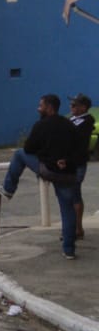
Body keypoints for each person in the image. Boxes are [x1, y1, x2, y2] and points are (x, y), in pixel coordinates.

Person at [0, 93, 83, 259]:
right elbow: (80, 151)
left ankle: (8, 189)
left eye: (40, 106)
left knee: (19, 154)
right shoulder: (69, 125)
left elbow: (28, 149)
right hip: (68, 173)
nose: (38, 108)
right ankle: (69, 250)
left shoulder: (41, 126)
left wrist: (44, 154)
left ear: (49, 107)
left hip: (49, 169)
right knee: (68, 210)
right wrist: (66, 161)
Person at [67, 93, 95, 239]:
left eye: (74, 105)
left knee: (74, 194)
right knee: (71, 195)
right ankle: (74, 228)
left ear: (83, 107)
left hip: (77, 163)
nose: (71, 107)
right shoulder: (73, 120)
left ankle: (77, 228)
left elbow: (75, 138)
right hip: (70, 163)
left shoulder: (86, 121)